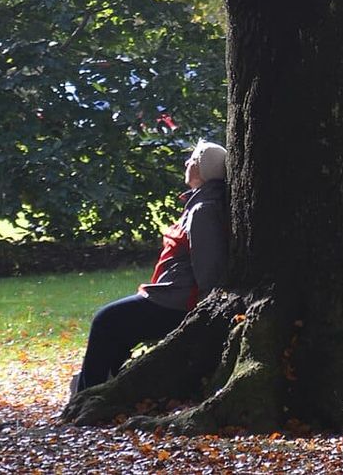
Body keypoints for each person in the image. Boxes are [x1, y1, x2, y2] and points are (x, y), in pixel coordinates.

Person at [71, 138, 228, 396]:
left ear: (203, 169)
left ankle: (88, 393)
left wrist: (205, 312)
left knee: (106, 320)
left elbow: (208, 267)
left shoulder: (203, 209)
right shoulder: (198, 204)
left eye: (194, 160)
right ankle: (101, 389)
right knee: (117, 328)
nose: (187, 162)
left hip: (177, 301)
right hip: (169, 295)